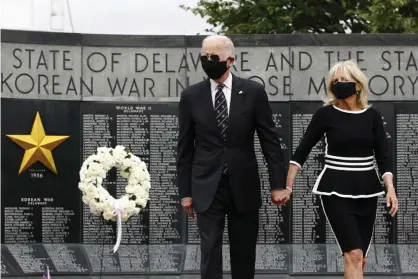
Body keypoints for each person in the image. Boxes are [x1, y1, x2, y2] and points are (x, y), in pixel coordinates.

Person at [175, 35, 288, 279]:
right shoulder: (191, 96)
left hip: (243, 185)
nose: (208, 61)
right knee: (210, 251)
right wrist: (185, 192)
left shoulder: (253, 92)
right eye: (204, 57)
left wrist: (278, 184)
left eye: (214, 57)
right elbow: (184, 147)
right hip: (206, 186)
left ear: (230, 60)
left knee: (244, 253)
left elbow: (270, 141)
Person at [279, 60, 399, 279]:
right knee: (352, 254)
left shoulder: (372, 116)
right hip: (335, 190)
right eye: (335, 81)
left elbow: (384, 157)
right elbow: (301, 151)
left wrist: (390, 187)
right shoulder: (326, 114)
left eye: (344, 80)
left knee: (360, 258)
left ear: (358, 84)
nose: (339, 84)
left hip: (368, 191)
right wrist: (288, 186)